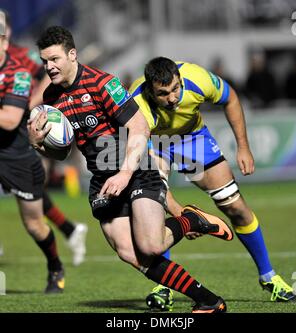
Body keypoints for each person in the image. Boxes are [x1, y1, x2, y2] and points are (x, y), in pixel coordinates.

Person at [28, 26, 235, 313]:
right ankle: (209, 301)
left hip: (136, 167)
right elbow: (63, 152)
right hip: (102, 177)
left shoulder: (103, 83)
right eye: (44, 61)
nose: (48, 67)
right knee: (129, 252)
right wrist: (39, 144)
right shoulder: (51, 98)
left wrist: (125, 172)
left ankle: (191, 220)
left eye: (54, 60)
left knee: (151, 246)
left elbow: (139, 127)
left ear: (72, 55)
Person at [129, 56, 296, 309]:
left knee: (234, 206)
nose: (173, 98)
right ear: (151, 90)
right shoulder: (136, 104)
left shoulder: (198, 78)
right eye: (163, 93)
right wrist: (181, 214)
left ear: (180, 78)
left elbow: (231, 99)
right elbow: (147, 159)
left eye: (176, 88)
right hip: (155, 144)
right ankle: (164, 286)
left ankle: (269, 277)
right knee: (154, 208)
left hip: (192, 139)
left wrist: (243, 147)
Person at [0, 9, 88, 266]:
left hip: (23, 132)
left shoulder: (22, 57)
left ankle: (68, 233)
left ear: (9, 32)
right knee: (32, 195)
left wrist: (30, 105)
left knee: (33, 196)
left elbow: (47, 78)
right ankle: (71, 230)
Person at [0, 18, 64, 293]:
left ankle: (55, 265)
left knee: (35, 225)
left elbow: (9, 120)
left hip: (15, 158)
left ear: (3, 41)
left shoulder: (18, 73)